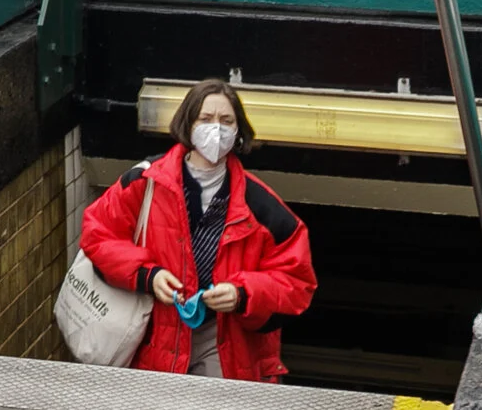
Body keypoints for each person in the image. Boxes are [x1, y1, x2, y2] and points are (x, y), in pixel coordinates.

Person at [78, 79, 316, 380]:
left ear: (238, 131)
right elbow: (97, 234)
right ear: (187, 123)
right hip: (151, 329)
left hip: (221, 338)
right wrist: (147, 275)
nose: (216, 129)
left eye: (226, 121)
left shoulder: (263, 208)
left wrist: (242, 293)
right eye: (206, 119)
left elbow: (297, 282)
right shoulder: (145, 182)